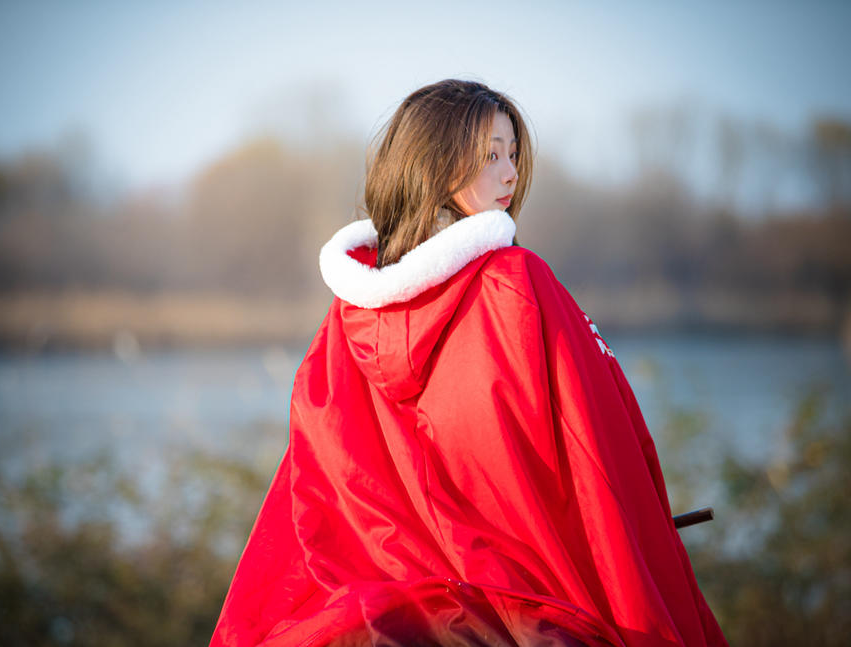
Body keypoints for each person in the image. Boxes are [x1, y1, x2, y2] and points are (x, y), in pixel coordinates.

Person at [209, 79, 728, 647]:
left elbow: (315, 488)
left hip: (389, 616)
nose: (510, 173)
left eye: (513, 154)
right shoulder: (516, 286)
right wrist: (640, 553)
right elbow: (592, 451)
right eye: (489, 155)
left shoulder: (347, 317)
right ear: (436, 164)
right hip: (527, 608)